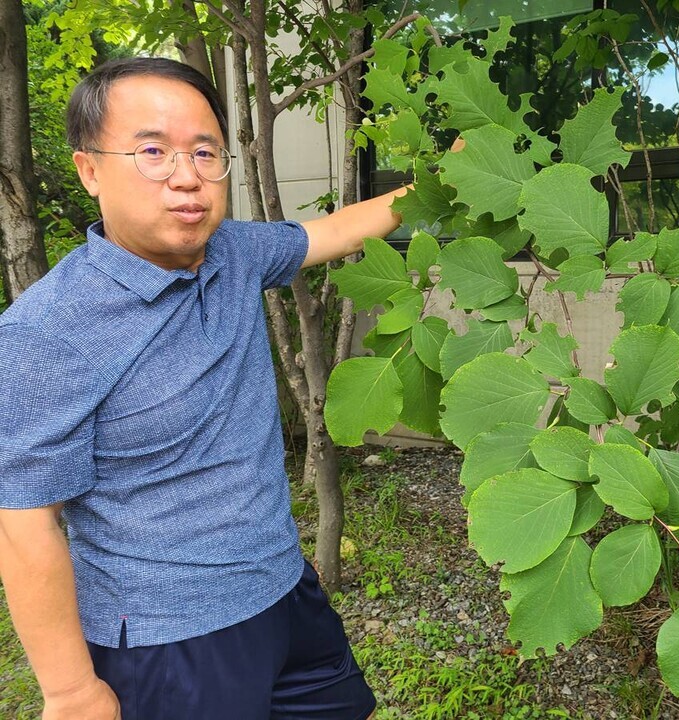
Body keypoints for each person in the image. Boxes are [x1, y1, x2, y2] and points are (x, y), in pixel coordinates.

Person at [0, 56, 409, 720]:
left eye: (204, 152)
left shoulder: (235, 254)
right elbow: (23, 522)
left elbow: (335, 231)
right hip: (169, 640)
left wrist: (441, 182)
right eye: (153, 152)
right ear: (90, 170)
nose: (186, 177)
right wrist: (72, 691)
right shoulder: (47, 331)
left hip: (282, 587)